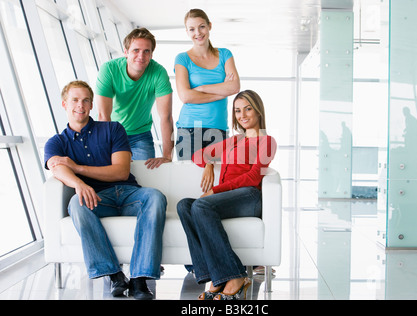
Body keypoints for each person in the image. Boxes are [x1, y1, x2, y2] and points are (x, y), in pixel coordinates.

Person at [44, 80, 166, 300]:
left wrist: (78, 168)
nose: (80, 105)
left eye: (85, 100)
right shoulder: (56, 142)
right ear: (64, 104)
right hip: (96, 199)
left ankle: (139, 279)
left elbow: (120, 172)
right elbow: (56, 167)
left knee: (155, 197)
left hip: (129, 193)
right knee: (76, 203)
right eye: (74, 100)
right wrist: (79, 184)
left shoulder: (113, 129)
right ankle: (114, 274)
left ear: (91, 105)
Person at [177, 90, 277, 300]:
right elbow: (198, 154)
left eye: (248, 109)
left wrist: (215, 190)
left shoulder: (266, 141)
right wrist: (209, 163)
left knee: (201, 206)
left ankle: (233, 276)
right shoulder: (234, 141)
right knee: (184, 205)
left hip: (249, 197)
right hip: (228, 198)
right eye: (238, 110)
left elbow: (252, 178)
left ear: (258, 111)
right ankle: (215, 276)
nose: (243, 115)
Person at [96, 27, 173, 168]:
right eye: (136, 50)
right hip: (112, 133)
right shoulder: (109, 69)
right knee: (114, 174)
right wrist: (106, 149)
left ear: (151, 55)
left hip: (140, 135)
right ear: (126, 52)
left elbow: (166, 117)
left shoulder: (158, 72)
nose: (141, 56)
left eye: (146, 51)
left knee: (144, 176)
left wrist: (167, 156)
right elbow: (103, 116)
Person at [174, 9, 240, 174]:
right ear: (187, 32)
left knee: (215, 184)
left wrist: (201, 88)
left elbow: (234, 87)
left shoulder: (225, 54)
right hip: (189, 129)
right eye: (192, 29)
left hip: (218, 129)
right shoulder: (182, 59)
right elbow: (185, 96)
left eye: (202, 26)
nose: (198, 33)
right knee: (189, 181)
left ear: (209, 26)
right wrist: (221, 91)